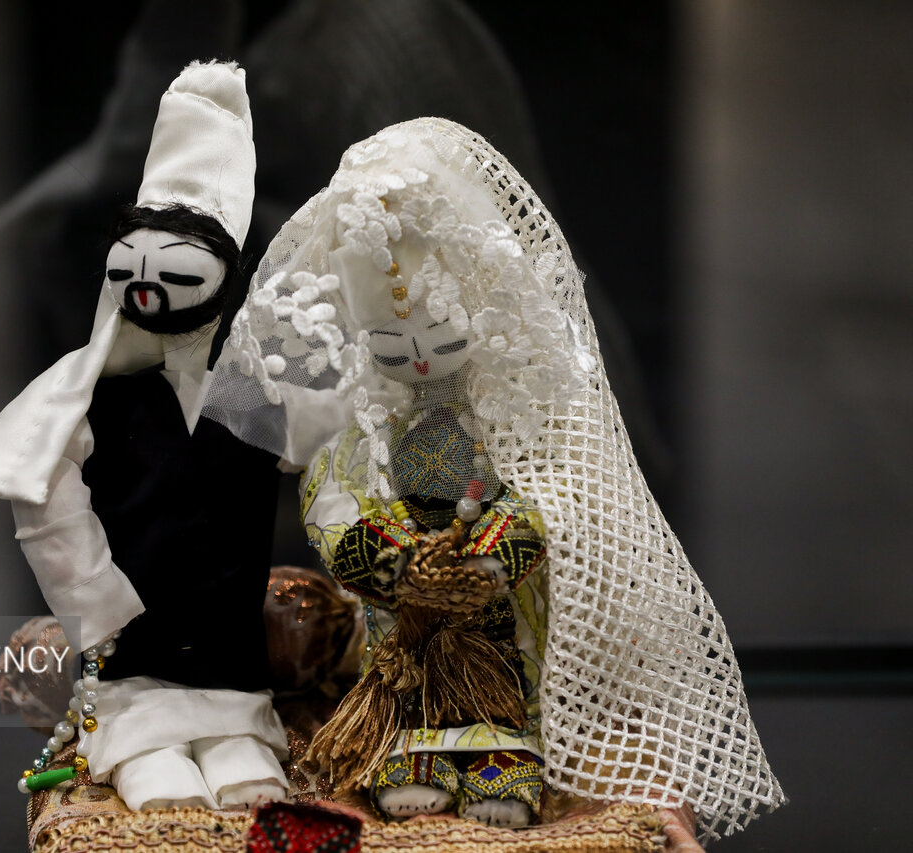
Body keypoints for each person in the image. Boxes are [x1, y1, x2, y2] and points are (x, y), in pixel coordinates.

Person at [203, 117, 784, 841]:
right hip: (403, 612)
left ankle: (503, 758)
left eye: (438, 337)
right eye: (391, 342)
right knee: (403, 680)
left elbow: (560, 488)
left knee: (501, 675)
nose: (416, 357)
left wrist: (494, 549)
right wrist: (383, 553)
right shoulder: (360, 412)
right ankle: (411, 754)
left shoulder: (515, 396)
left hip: (501, 598)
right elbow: (332, 491)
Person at [0, 61, 289, 811]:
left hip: (231, 631)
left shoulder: (253, 385)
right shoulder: (96, 393)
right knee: (142, 709)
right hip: (133, 625)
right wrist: (94, 599)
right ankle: (143, 740)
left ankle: (235, 734)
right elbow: (44, 491)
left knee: (238, 732)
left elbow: (315, 453)